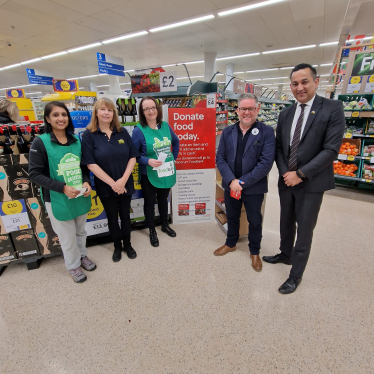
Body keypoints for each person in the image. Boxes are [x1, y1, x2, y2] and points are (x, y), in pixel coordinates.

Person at [263, 63, 345, 294]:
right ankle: (285, 254)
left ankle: (295, 274)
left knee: (305, 228)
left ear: (316, 82)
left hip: (311, 182)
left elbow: (330, 150)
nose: (300, 87)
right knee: (285, 221)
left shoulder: (332, 108)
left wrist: (300, 174)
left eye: (305, 82)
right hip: (287, 180)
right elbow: (279, 147)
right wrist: (285, 173)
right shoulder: (286, 113)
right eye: (295, 83)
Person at [29, 101, 94, 284]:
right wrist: (62, 187)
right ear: (48, 119)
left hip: (78, 195)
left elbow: (83, 168)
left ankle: (83, 256)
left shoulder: (75, 140)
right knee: (67, 236)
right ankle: (73, 266)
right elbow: (34, 174)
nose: (61, 118)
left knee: (80, 231)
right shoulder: (40, 142)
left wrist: (87, 182)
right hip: (57, 197)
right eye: (56, 115)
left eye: (64, 114)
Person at [215, 93, 276, 272]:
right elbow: (221, 159)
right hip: (230, 184)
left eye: (251, 108)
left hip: (253, 187)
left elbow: (265, 164)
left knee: (255, 219)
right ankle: (231, 243)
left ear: (257, 109)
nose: (247, 112)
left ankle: (254, 251)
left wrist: (240, 183)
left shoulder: (266, 132)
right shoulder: (228, 131)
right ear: (237, 110)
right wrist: (231, 180)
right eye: (243, 109)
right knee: (232, 215)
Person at [81, 97, 139, 262]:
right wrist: (114, 184)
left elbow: (132, 157)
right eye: (103, 109)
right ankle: (117, 247)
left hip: (125, 183)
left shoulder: (122, 132)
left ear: (114, 113)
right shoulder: (89, 135)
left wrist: (122, 181)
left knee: (126, 216)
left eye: (110, 110)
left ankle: (127, 244)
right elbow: (91, 164)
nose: (107, 113)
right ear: (96, 112)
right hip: (106, 186)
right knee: (112, 217)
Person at [132, 96, 179, 247]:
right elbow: (133, 155)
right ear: (142, 112)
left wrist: (174, 158)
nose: (151, 111)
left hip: (165, 172)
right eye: (146, 109)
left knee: (164, 200)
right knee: (150, 203)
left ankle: (165, 225)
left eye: (153, 107)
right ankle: (152, 230)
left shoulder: (165, 126)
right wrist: (148, 161)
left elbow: (176, 141)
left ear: (157, 109)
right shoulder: (138, 131)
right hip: (149, 174)